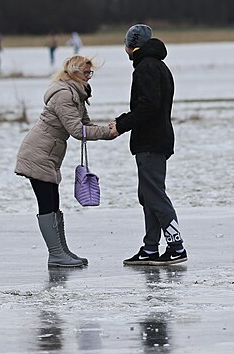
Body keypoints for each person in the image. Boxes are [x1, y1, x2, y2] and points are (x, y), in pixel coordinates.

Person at [15, 55, 119, 267]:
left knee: (54, 204)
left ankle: (62, 251)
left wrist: (111, 127)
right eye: (86, 73)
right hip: (38, 154)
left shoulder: (76, 93)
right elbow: (76, 130)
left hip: (49, 155)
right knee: (47, 204)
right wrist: (108, 133)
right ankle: (55, 254)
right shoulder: (64, 95)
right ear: (73, 73)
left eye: (91, 73)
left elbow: (85, 123)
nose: (89, 77)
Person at [114, 24, 188, 266]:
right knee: (147, 195)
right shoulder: (159, 66)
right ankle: (150, 249)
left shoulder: (145, 68)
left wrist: (121, 124)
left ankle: (176, 246)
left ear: (132, 46)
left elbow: (148, 107)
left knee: (155, 195)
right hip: (158, 139)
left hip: (151, 141)